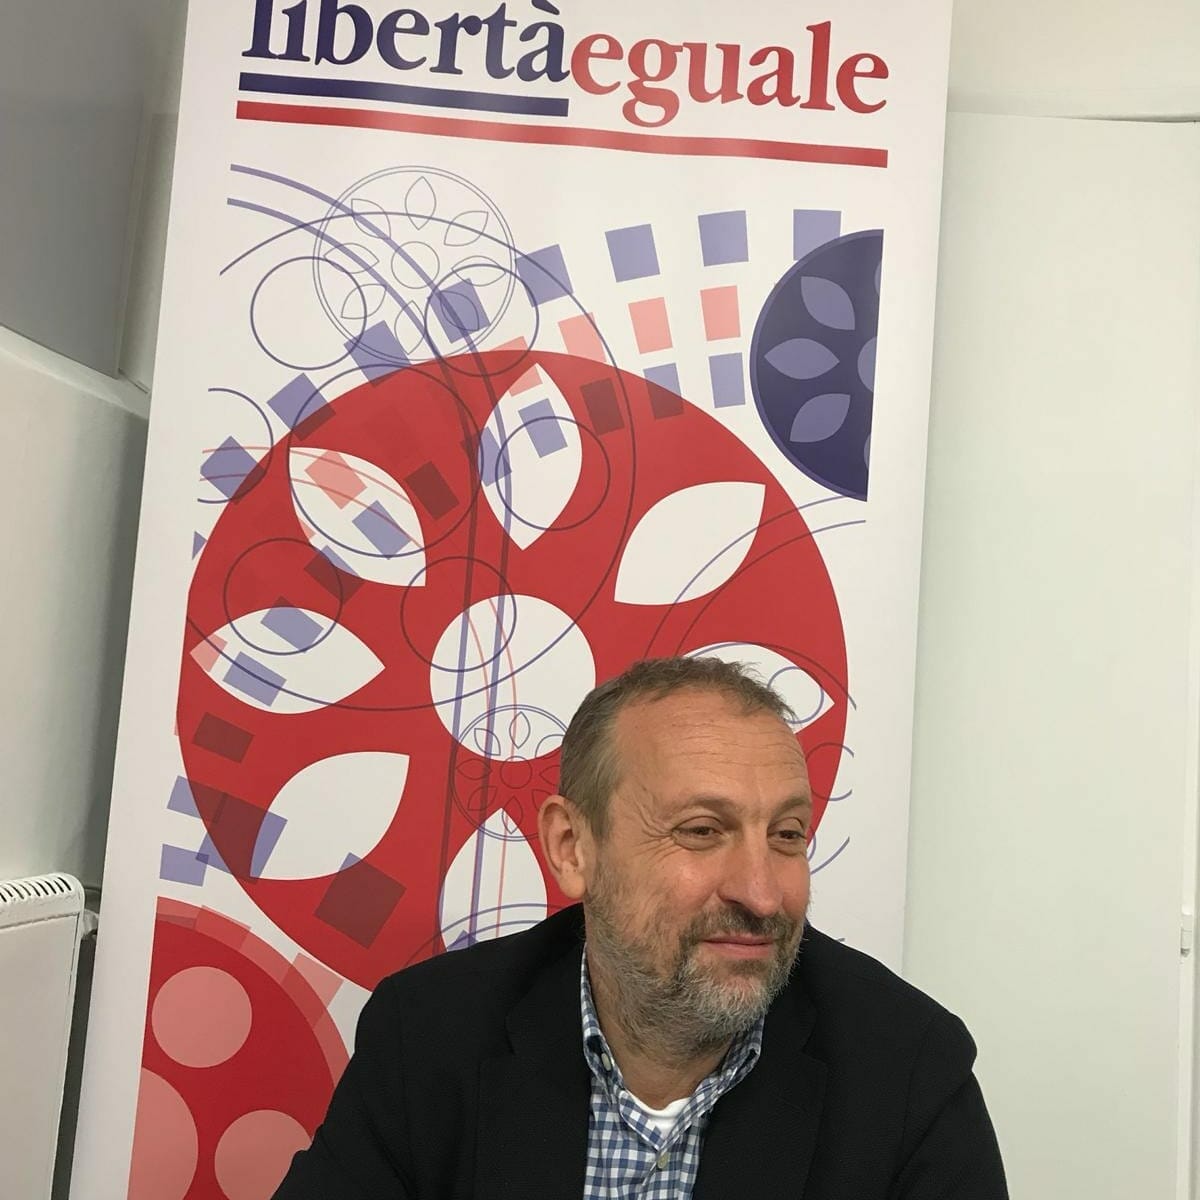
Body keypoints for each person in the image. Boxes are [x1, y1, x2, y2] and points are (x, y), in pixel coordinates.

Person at [274, 656, 1008, 1198]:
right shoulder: (429, 1037)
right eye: (702, 831)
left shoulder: (909, 1071)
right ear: (573, 848)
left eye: (787, 836)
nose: (762, 894)